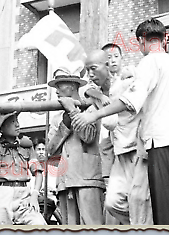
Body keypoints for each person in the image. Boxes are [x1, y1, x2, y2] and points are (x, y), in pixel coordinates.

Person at [72, 18, 169, 225]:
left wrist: (93, 115)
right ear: (164, 39)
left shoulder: (147, 63)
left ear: (141, 41)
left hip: (158, 143)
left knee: (156, 208)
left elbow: (131, 101)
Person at [84, 50, 152, 225]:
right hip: (120, 153)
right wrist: (98, 96)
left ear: (108, 65)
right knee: (113, 203)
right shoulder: (97, 91)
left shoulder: (128, 79)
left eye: (93, 68)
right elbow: (87, 91)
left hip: (138, 151)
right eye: (88, 70)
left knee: (140, 202)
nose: (90, 74)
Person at [46, 69, 105, 225]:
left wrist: (72, 111)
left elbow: (88, 136)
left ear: (72, 85)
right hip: (65, 180)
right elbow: (50, 150)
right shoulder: (57, 117)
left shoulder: (91, 108)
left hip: (88, 178)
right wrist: (64, 123)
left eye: (60, 85)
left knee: (93, 225)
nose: (57, 90)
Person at [0, 112, 47, 225]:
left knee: (39, 224)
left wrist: (34, 195)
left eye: (17, 121)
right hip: (3, 194)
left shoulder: (26, 145)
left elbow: (38, 173)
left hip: (24, 195)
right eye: (12, 122)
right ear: (2, 128)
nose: (17, 125)